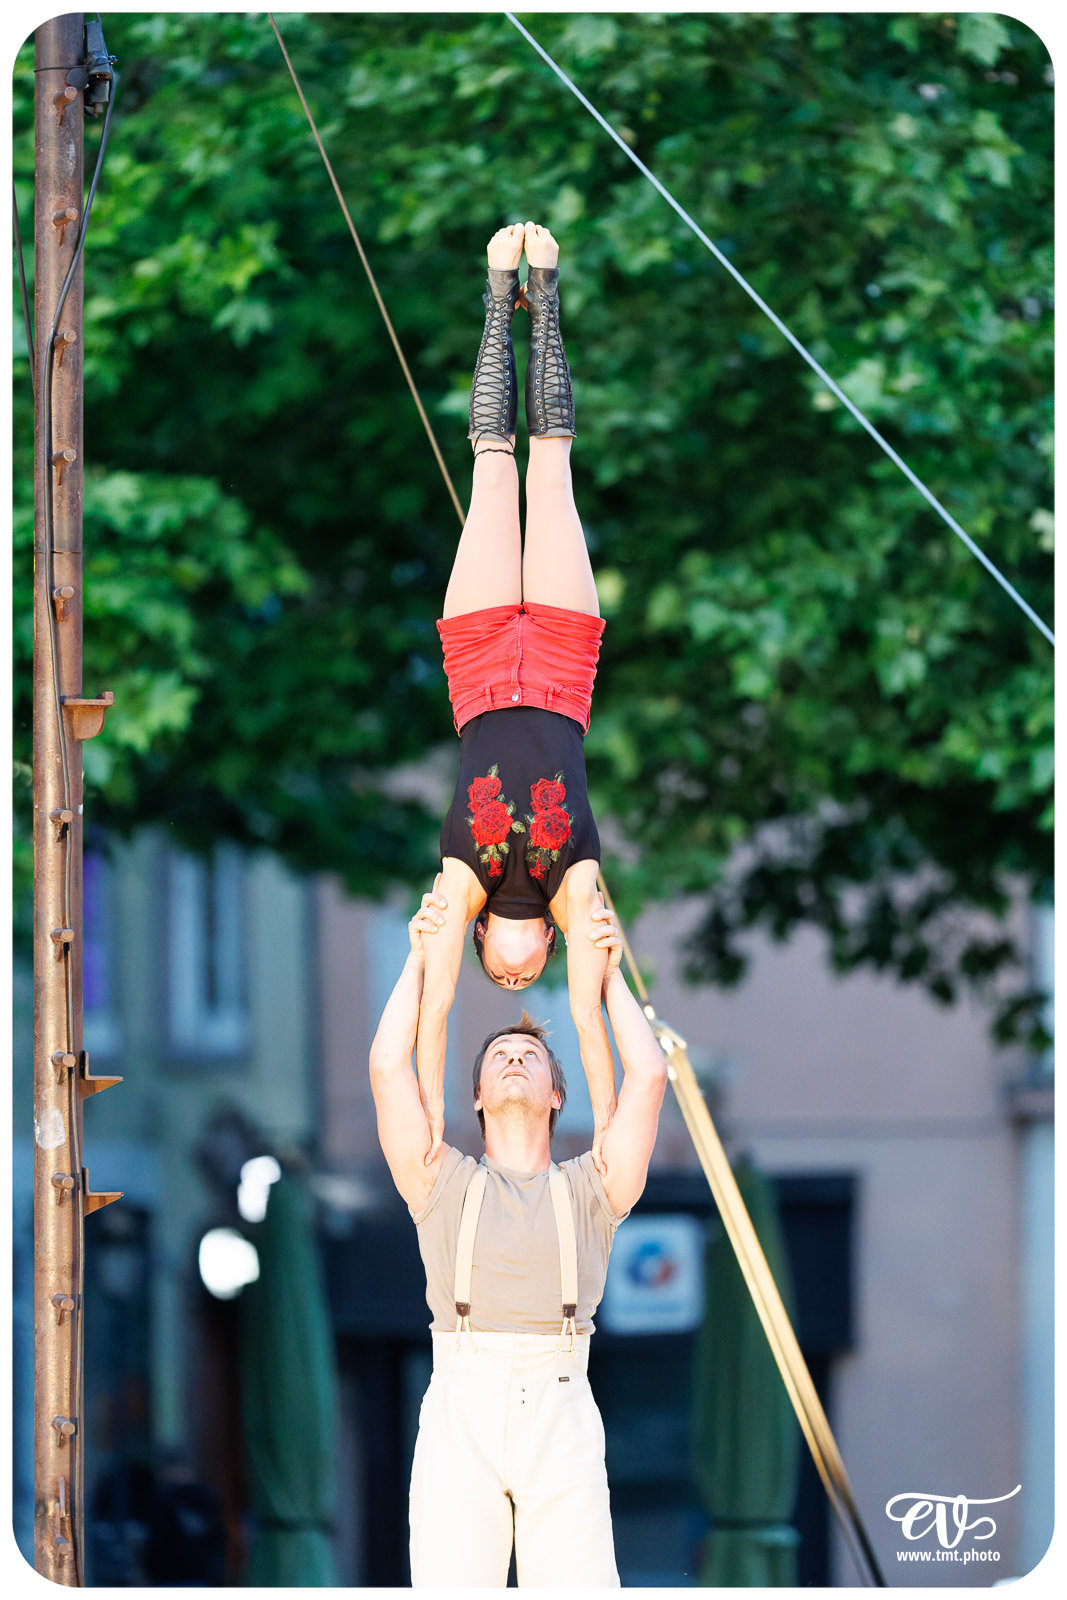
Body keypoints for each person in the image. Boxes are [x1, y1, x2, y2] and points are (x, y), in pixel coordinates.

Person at [368, 893, 669, 1588]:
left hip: (560, 1403)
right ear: (473, 1094)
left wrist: (609, 971)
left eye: (529, 1054)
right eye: (499, 1053)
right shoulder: (438, 1180)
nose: (512, 1058)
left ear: (558, 1093)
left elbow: (648, 1076)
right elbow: (389, 1068)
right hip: (458, 1403)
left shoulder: (594, 1188)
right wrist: (421, 954)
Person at [419, 220, 618, 1172]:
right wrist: (609, 1110)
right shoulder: (574, 888)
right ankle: (548, 284)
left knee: (494, 465)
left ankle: (499, 290)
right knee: (554, 465)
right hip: (563, 678)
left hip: (484, 669)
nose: (512, 970)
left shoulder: (461, 882)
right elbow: (585, 1008)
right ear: (545, 949)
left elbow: (433, 998)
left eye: (496, 972)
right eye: (522, 974)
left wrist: (428, 1102)